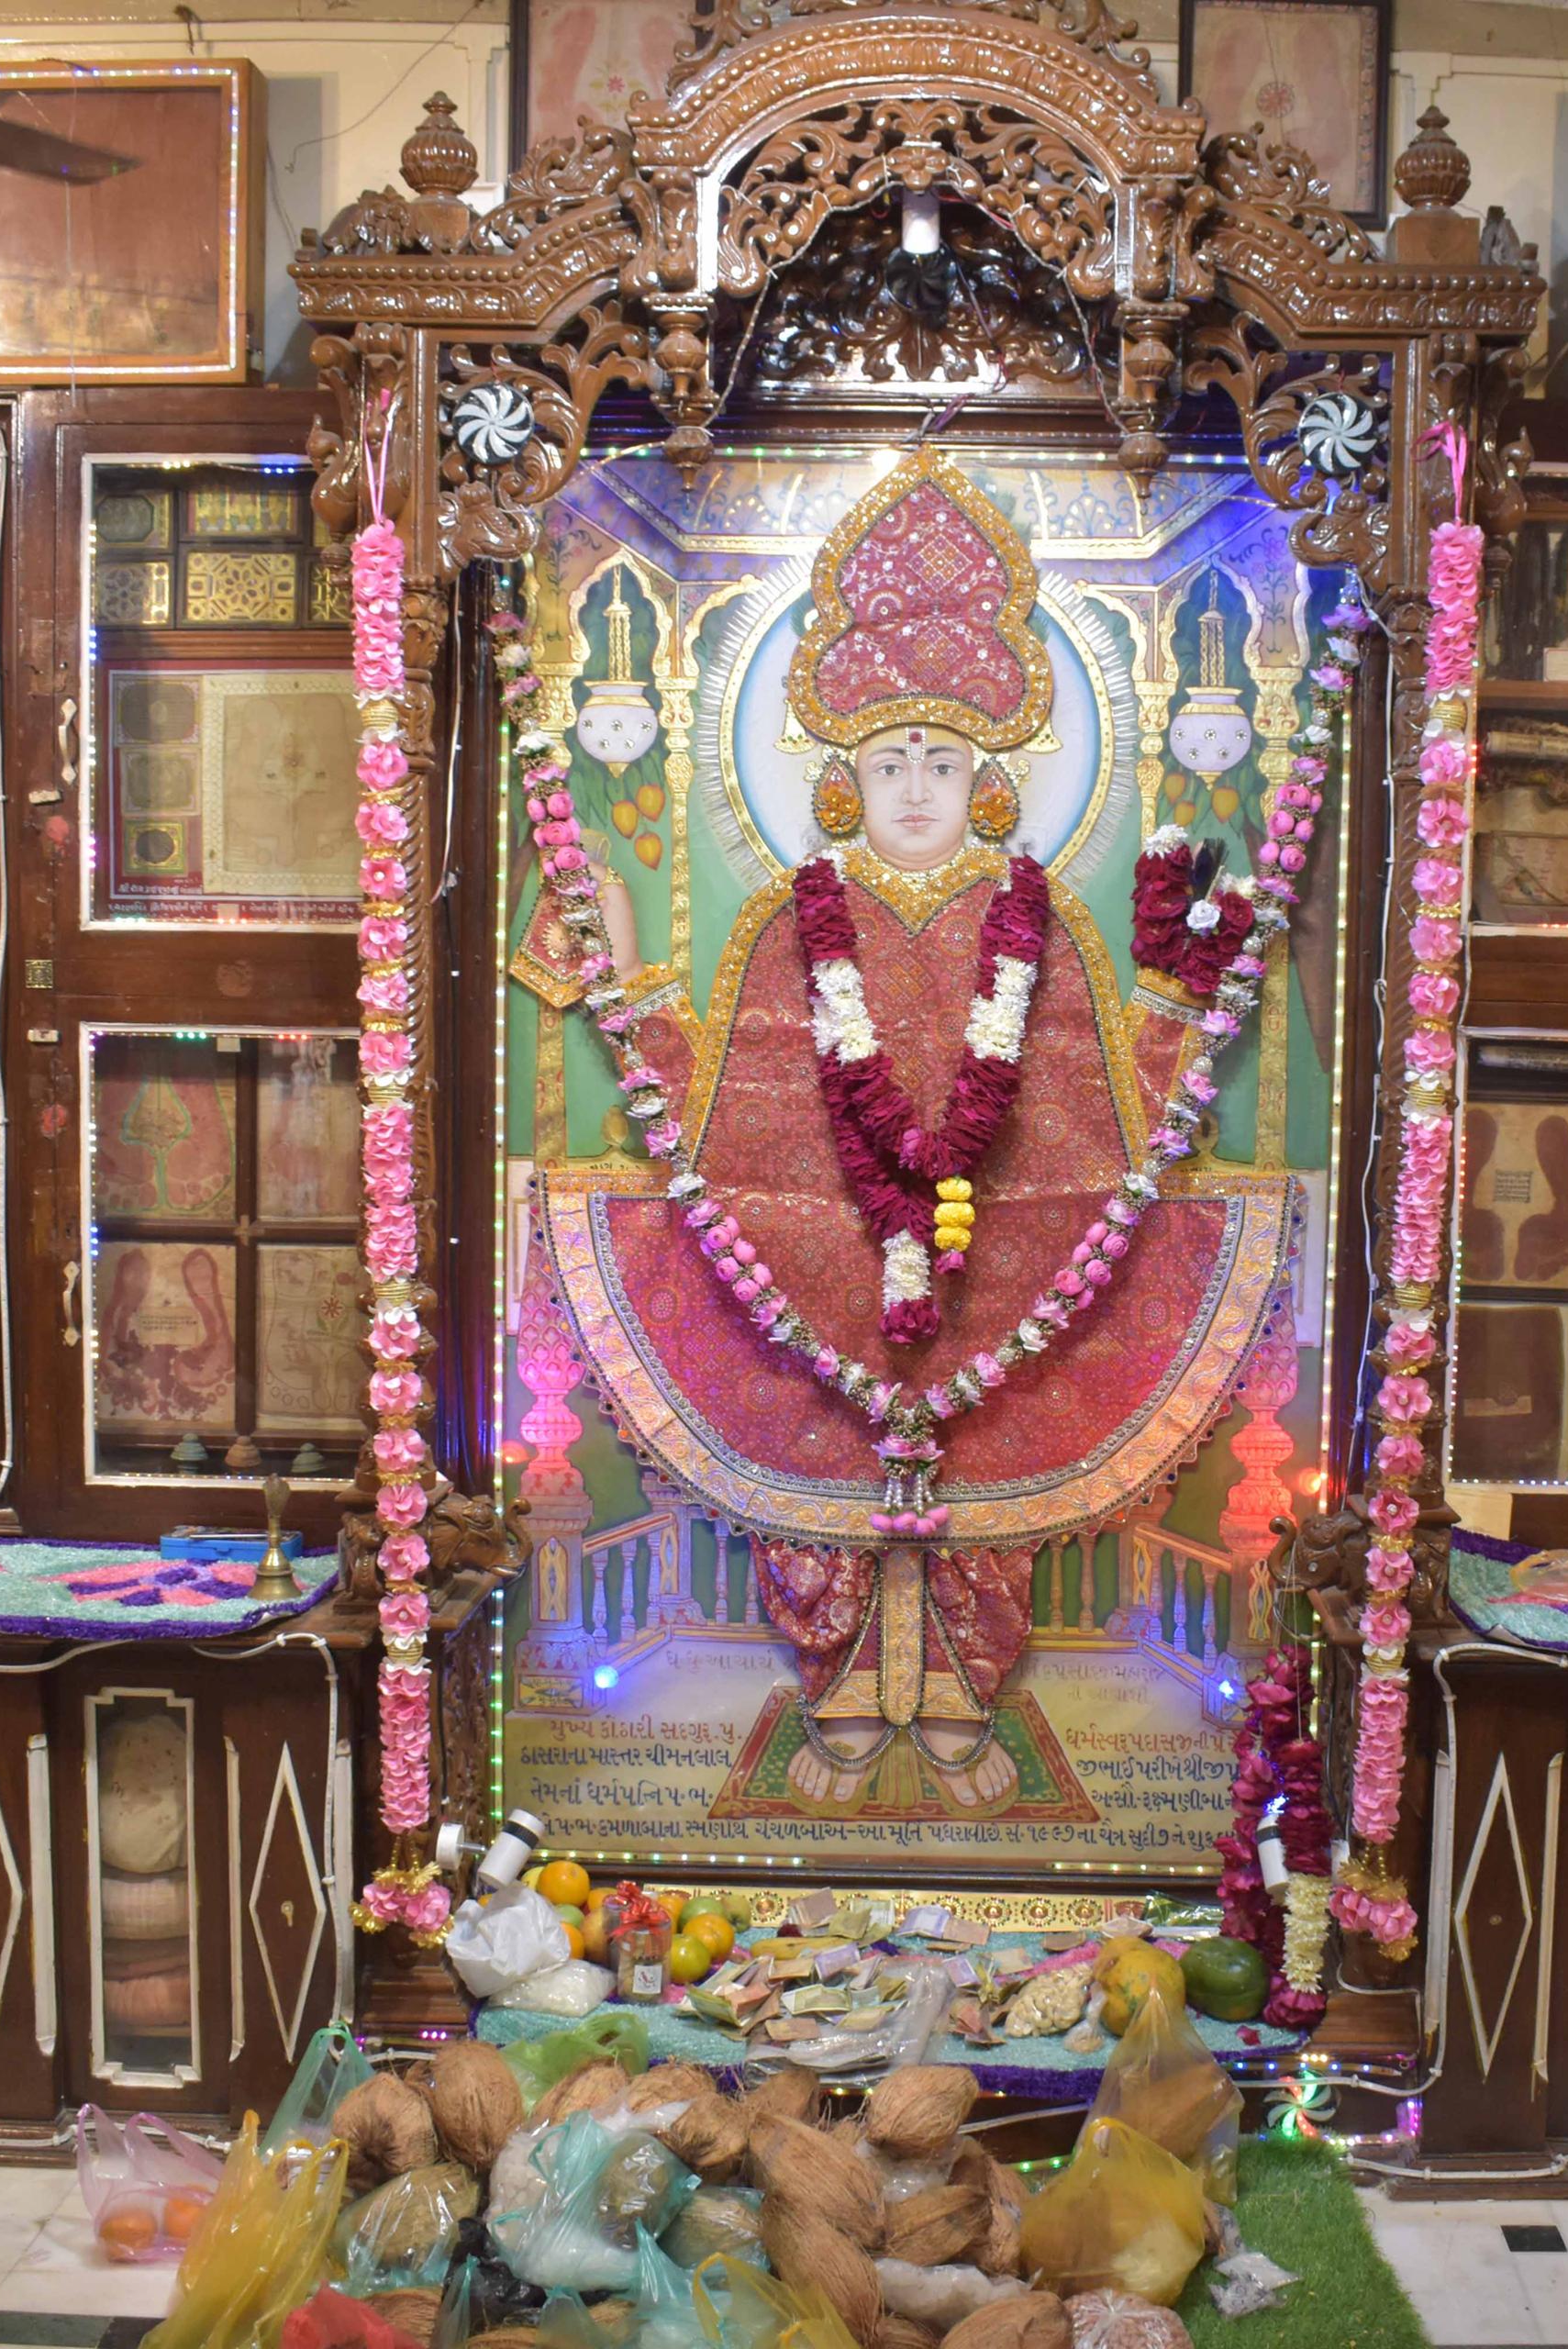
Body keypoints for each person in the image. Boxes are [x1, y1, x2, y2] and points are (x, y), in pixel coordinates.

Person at [539, 445, 1289, 1814]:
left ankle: (954, 1694)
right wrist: (629, 978)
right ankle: (840, 1690)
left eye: (943, 761)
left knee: (987, 1453)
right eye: (891, 762)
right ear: (845, 779)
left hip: (1002, 1256)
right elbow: (721, 1107)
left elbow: (1100, 1107)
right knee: (818, 1448)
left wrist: (1187, 1005)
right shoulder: (787, 918)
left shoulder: (1041, 919)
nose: (918, 787)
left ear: (988, 780)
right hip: (818, 1254)